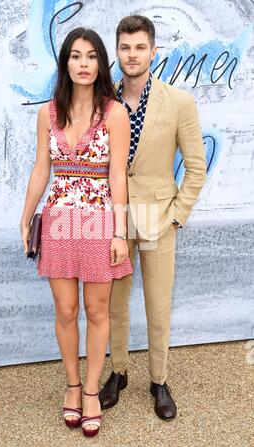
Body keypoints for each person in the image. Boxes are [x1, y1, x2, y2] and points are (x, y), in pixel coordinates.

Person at [20, 27, 133, 437]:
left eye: (91, 56)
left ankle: (90, 392)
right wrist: (26, 214)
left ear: (101, 63)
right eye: (75, 56)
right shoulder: (48, 112)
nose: (83, 64)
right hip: (59, 221)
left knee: (97, 311)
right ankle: (71, 384)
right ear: (65, 62)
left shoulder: (114, 113)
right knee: (66, 311)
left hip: (100, 221)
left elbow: (117, 174)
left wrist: (120, 231)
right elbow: (40, 168)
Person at [99, 15, 207, 420]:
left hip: (160, 219)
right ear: (118, 52)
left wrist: (176, 217)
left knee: (159, 307)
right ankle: (119, 372)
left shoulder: (179, 102)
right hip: (114, 221)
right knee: (115, 305)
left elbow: (196, 167)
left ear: (152, 51)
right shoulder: (102, 102)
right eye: (125, 47)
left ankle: (159, 381)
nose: (132, 54)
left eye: (139, 47)